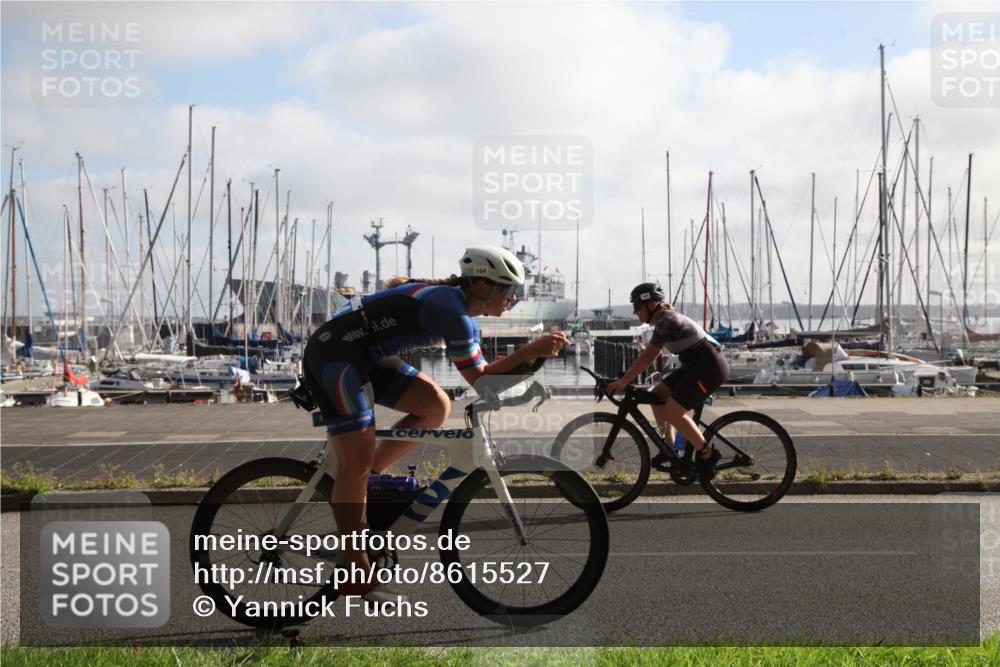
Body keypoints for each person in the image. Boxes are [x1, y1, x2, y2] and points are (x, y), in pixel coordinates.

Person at [301, 246, 568, 598]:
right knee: (356, 463)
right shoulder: (451, 310)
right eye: (508, 290)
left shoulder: (458, 309)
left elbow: (486, 380)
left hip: (364, 356)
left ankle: (369, 484)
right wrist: (531, 350)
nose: (513, 298)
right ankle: (355, 568)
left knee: (435, 406)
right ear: (483, 287)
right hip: (335, 355)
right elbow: (481, 380)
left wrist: (531, 361)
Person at [606, 282, 730, 474]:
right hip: (694, 365)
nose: (635, 312)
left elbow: (648, 356)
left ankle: (708, 454)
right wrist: (627, 378)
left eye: (637, 306)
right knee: (656, 396)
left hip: (709, 367)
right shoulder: (664, 320)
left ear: (651, 304)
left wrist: (624, 381)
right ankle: (670, 449)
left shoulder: (667, 321)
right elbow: (649, 356)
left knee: (673, 412)